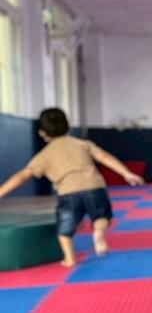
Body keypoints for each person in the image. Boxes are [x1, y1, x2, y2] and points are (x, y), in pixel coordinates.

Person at [0, 107, 143, 267]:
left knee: (65, 230)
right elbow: (104, 157)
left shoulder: (44, 155)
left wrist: (1, 192)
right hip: (94, 187)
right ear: (68, 126)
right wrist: (126, 173)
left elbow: (22, 176)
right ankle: (98, 233)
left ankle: (70, 258)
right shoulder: (82, 144)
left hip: (68, 193)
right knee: (101, 216)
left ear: (42, 133)